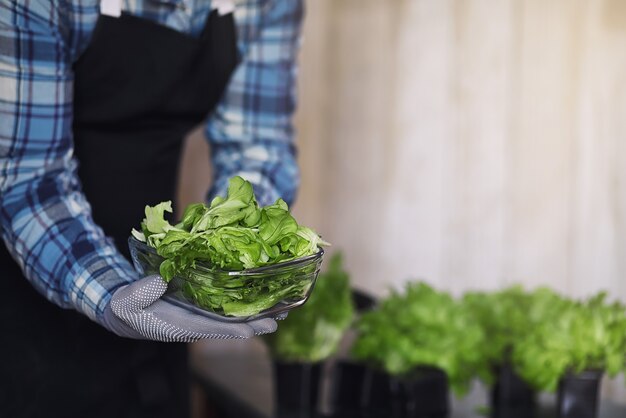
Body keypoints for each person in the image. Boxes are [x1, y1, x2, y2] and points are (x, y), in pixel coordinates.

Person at [0, 0, 304, 416]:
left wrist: (238, 257)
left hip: (163, 292)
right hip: (33, 293)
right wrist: (111, 292)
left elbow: (258, 145)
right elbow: (28, 181)